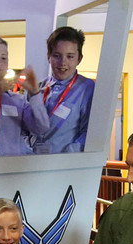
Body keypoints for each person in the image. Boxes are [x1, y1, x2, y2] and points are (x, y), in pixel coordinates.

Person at [23, 26, 94, 154]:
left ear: (79, 59)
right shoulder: (36, 89)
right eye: (57, 55)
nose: (63, 62)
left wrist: (66, 155)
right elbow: (24, 129)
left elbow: (89, 133)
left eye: (70, 56)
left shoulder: (87, 88)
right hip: (32, 164)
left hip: (64, 167)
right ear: (48, 57)